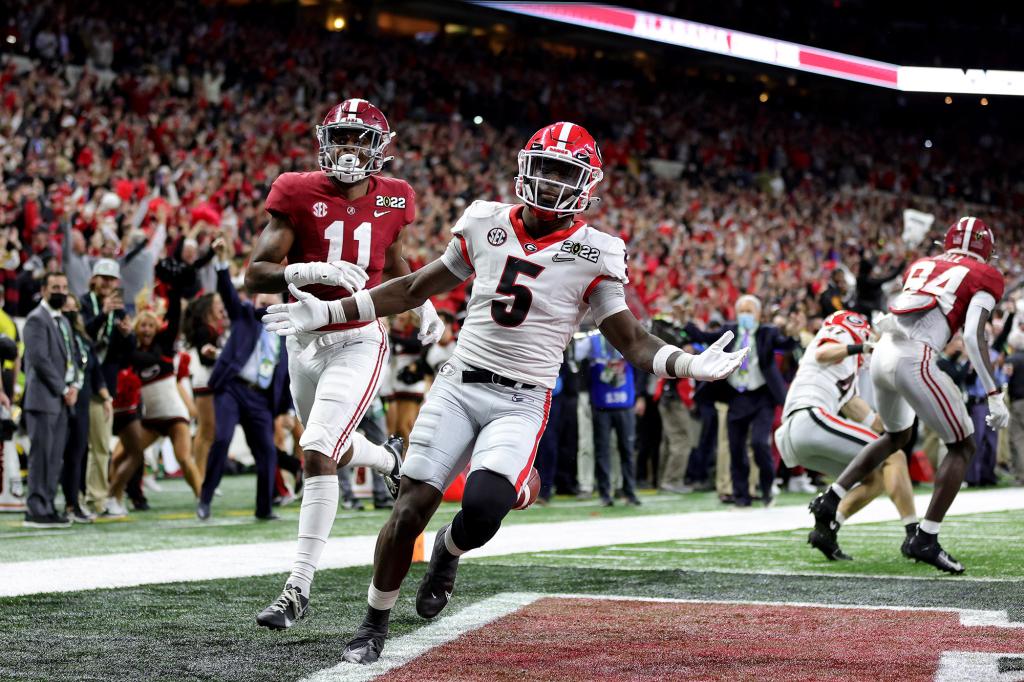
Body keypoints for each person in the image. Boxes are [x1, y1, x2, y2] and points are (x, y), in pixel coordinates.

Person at [261, 121, 748, 663]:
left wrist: (686, 365)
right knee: (409, 509)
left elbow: (630, 340)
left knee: (486, 505)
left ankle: (449, 549)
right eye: (545, 167)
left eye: (564, 171)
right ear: (525, 167)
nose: (551, 180)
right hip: (458, 384)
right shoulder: (484, 221)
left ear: (587, 183)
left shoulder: (597, 253)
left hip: (521, 398)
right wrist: (330, 311)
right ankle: (374, 623)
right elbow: (415, 286)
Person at [246, 99, 438, 630]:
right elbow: (255, 273)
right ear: (324, 141)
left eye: (360, 139)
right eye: (341, 138)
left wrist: (422, 301)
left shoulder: (396, 198)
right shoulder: (297, 189)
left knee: (315, 446)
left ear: (379, 149)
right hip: (302, 337)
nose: (349, 150)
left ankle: (297, 587)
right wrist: (302, 269)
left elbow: (394, 261)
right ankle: (388, 462)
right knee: (327, 442)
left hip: (357, 338)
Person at [811, 218, 1008, 574]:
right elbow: (975, 337)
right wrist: (994, 392)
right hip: (914, 357)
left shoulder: (922, 264)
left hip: (883, 353)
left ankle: (831, 498)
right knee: (963, 446)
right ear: (985, 248)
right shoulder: (983, 275)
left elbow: (905, 308)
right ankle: (925, 537)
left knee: (896, 436)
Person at [773, 310, 918, 560]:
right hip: (810, 417)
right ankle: (914, 534)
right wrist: (863, 346)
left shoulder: (847, 372)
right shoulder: (838, 335)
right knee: (894, 456)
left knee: (876, 477)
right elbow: (822, 352)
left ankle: (828, 528)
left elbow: (869, 418)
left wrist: (907, 403)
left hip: (800, 434)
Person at [197, 239, 289, 520]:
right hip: (233, 389)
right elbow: (227, 293)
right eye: (260, 294)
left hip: (261, 397)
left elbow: (286, 373)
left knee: (267, 452)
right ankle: (205, 498)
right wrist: (223, 263)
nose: (264, 297)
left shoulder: (287, 329)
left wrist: (286, 407)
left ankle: (264, 508)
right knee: (222, 439)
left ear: (282, 300)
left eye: (271, 295)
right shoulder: (245, 315)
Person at [685, 295, 800, 507]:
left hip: (762, 396)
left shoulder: (768, 331)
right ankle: (741, 495)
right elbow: (704, 336)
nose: (745, 315)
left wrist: (794, 333)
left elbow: (785, 345)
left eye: (749, 311)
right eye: (742, 311)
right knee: (736, 448)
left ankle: (766, 487)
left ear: (758, 314)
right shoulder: (729, 331)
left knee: (758, 442)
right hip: (736, 395)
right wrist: (688, 321)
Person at [131, 292, 203, 496]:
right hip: (151, 417)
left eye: (150, 326)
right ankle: (113, 497)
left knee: (183, 457)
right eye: (142, 326)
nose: (146, 330)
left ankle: (201, 498)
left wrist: (189, 406)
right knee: (127, 454)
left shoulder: (163, 347)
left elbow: (179, 381)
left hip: (173, 415)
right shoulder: (132, 351)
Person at [22, 272, 78, 528]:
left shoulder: (63, 322)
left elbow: (72, 358)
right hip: (43, 398)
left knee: (55, 457)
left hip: (61, 400)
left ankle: (47, 504)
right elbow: (39, 360)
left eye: (64, 287)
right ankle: (35, 507)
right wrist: (63, 389)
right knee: (41, 456)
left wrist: (74, 385)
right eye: (55, 287)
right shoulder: (36, 320)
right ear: (44, 289)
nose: (61, 291)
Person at [81, 258, 134, 514]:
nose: (107, 283)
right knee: (81, 446)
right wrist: (102, 313)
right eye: (103, 278)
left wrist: (127, 335)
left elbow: (127, 355)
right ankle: (85, 498)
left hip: (104, 386)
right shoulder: (82, 303)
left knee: (100, 445)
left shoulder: (120, 310)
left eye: (111, 279)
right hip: (82, 383)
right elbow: (84, 336)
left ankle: (95, 499)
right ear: (94, 279)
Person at [575, 331, 642, 506]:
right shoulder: (592, 341)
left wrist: (640, 395)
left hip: (624, 403)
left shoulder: (627, 337)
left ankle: (629, 491)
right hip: (601, 404)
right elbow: (576, 355)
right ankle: (605, 493)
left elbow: (641, 365)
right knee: (602, 450)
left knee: (626, 450)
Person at [183, 290, 226, 477]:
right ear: (209, 308)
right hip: (204, 383)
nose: (221, 307)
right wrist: (222, 354)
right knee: (206, 431)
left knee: (208, 431)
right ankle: (200, 476)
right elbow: (205, 360)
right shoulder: (204, 330)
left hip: (207, 382)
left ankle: (203, 474)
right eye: (218, 303)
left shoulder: (210, 328)